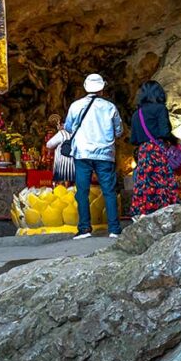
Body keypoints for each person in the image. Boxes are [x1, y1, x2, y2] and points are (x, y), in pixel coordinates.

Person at [64, 73, 123, 239]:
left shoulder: (75, 106)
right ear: (102, 89)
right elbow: (119, 131)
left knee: (82, 191)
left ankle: (84, 229)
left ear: (85, 87)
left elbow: (68, 127)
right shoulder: (110, 107)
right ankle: (114, 229)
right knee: (109, 191)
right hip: (105, 154)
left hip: (82, 153)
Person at [129, 80, 178, 218]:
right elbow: (164, 131)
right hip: (157, 150)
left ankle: (143, 213)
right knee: (161, 182)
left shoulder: (136, 114)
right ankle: (164, 214)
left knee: (145, 183)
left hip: (143, 151)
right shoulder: (160, 109)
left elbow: (133, 139)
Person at [44, 114, 75, 183]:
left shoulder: (62, 133)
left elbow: (49, 144)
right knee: (72, 188)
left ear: (62, 124)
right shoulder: (75, 133)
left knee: (61, 188)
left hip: (62, 165)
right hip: (74, 166)